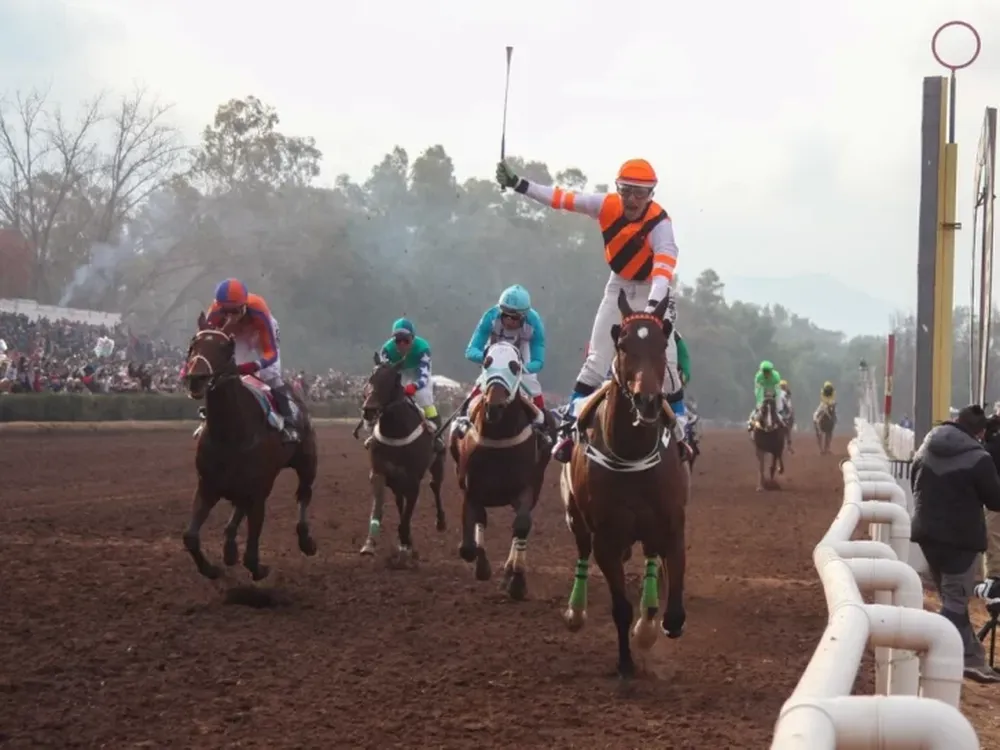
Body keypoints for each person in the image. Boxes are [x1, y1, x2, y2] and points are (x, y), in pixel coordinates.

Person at [495, 158, 684, 459]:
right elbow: (560, 198)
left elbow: (662, 274)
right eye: (627, 191)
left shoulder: (661, 226)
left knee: (669, 366)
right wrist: (519, 184)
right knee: (597, 360)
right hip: (619, 284)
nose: (633, 200)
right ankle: (570, 429)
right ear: (618, 189)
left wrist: (650, 312)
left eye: (640, 193)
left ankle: (681, 434)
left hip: (653, 289)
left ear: (651, 195)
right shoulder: (605, 205)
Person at [911, 404, 1000, 682]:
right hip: (961, 542)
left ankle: (972, 659)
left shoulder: (928, 442)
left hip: (926, 536)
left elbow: (914, 478)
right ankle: (931, 655)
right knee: (954, 602)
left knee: (954, 600)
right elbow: (995, 501)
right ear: (981, 431)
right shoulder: (978, 457)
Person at [204, 278, 299, 442]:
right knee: (223, 373)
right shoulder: (213, 313)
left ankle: (289, 423)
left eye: (234, 311)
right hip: (236, 333)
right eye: (225, 311)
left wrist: (255, 365)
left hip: (259, 330)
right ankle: (210, 419)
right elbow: (209, 346)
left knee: (270, 375)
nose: (230, 315)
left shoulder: (259, 309)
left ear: (245, 304)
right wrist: (227, 325)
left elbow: (271, 353)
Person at [464, 284, 549, 442]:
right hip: (495, 348)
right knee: (484, 381)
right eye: (505, 315)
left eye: (515, 317)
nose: (509, 321)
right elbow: (470, 350)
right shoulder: (490, 317)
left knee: (531, 382)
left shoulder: (535, 323)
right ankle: (464, 419)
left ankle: (544, 427)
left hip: (522, 349)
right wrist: (484, 357)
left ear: (524, 316)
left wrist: (523, 368)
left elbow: (538, 361)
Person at [378, 318, 444, 452]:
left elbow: (424, 376)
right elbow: (385, 376)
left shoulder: (423, 348)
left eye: (406, 340)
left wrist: (415, 386)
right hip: (398, 372)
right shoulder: (386, 350)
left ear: (413, 339)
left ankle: (437, 435)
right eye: (398, 340)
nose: (402, 344)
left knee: (423, 396)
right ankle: (374, 431)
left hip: (418, 373)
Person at [748, 360, 783, 431]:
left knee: (778, 407)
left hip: (773, 393)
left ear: (771, 371)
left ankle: (782, 422)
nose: (766, 373)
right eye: (764, 371)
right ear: (761, 371)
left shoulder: (776, 376)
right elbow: (758, 390)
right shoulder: (758, 376)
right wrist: (760, 402)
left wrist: (777, 402)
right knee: (758, 408)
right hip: (762, 393)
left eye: (768, 371)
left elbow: (778, 390)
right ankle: (751, 422)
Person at [779, 379, 795, 451]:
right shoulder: (782, 394)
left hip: (782, 412)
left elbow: (788, 405)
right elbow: (788, 406)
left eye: (783, 386)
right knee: (787, 428)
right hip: (782, 412)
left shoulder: (785, 394)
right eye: (782, 386)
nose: (783, 387)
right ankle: (789, 446)